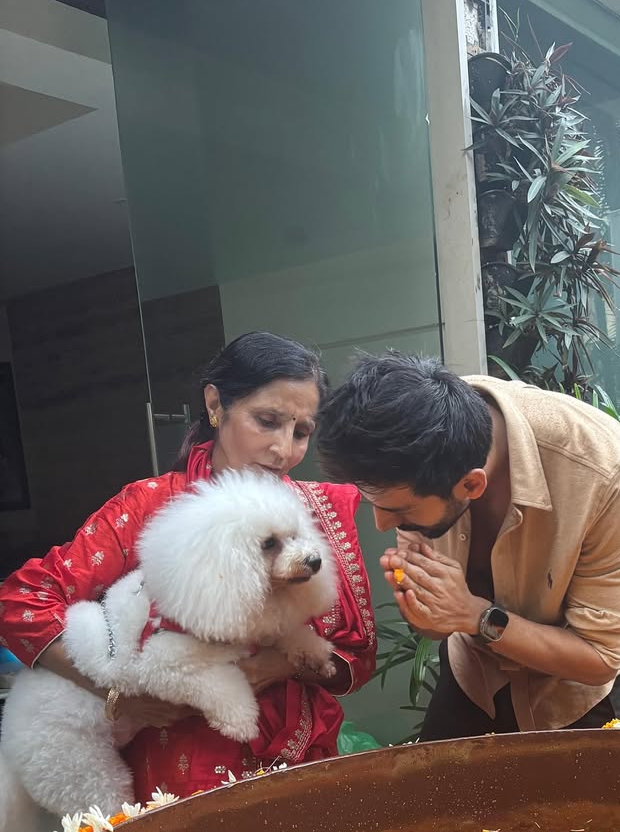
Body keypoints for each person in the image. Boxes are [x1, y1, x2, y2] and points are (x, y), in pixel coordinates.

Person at [0, 333, 376, 802]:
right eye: (267, 421)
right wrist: (119, 696)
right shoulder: (149, 507)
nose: (284, 450)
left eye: (301, 432)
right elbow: (23, 601)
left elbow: (355, 659)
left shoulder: (317, 513)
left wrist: (273, 666)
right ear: (216, 403)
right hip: (177, 782)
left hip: (301, 765)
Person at [317, 353, 620, 740]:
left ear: (472, 485)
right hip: (473, 677)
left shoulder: (604, 471)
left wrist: (474, 615)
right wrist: (427, 610)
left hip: (575, 692)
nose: (382, 524)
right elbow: (436, 628)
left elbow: (600, 657)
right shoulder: (413, 444)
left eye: (399, 510)